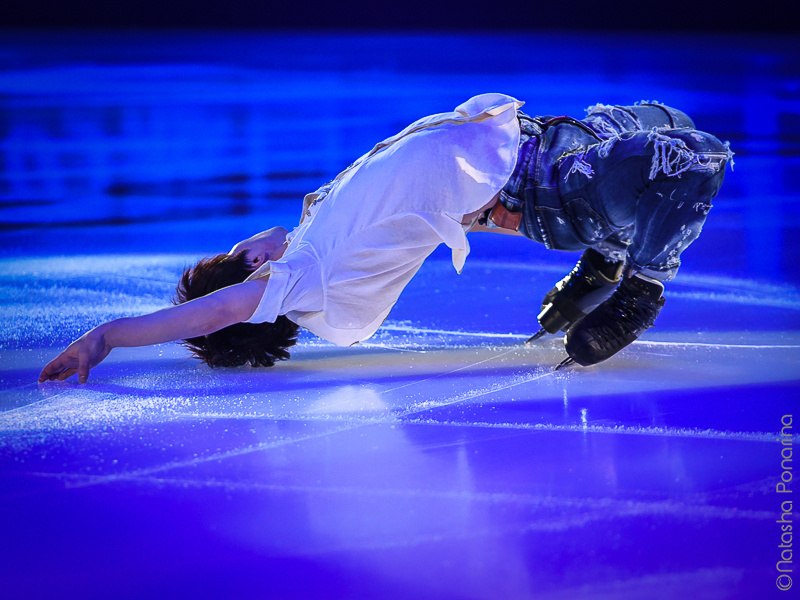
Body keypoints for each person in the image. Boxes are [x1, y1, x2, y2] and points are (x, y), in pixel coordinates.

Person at [39, 93, 733, 383]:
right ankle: (640, 286)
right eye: (236, 252)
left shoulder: (316, 233)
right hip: (547, 188)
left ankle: (605, 258)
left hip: (536, 151)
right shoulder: (298, 276)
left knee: (658, 117)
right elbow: (213, 312)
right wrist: (105, 337)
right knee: (685, 159)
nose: (245, 240)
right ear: (251, 268)